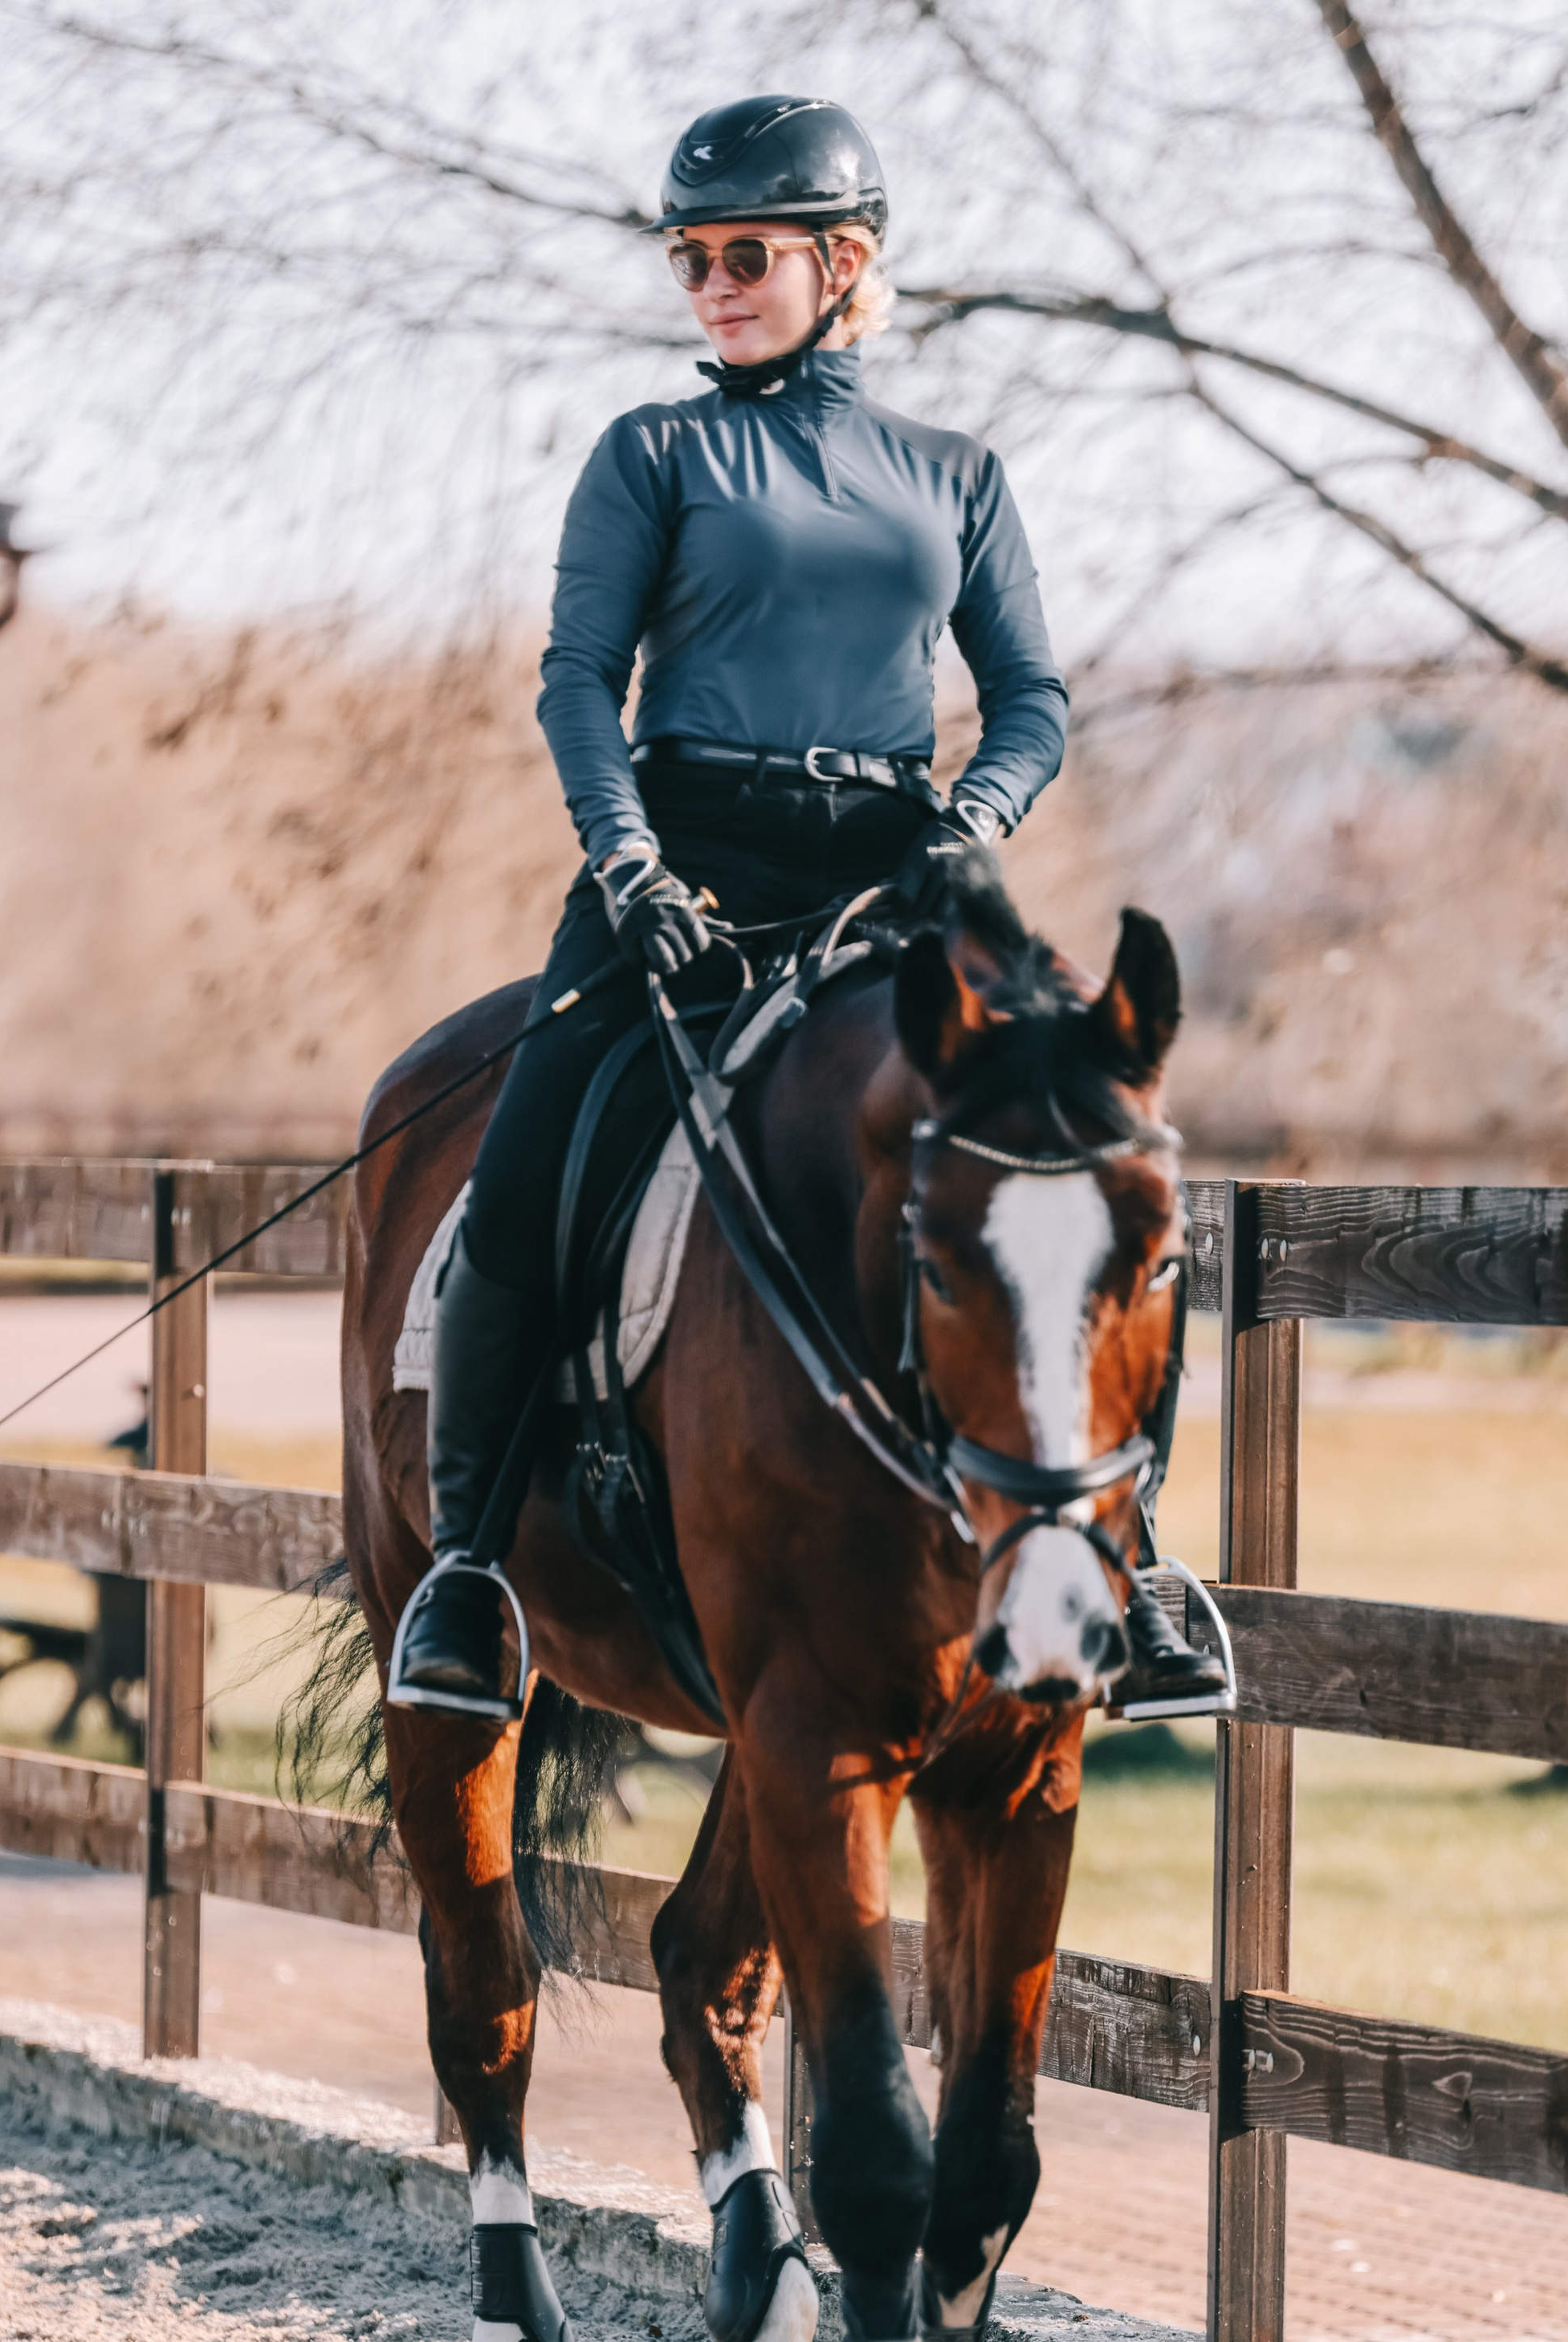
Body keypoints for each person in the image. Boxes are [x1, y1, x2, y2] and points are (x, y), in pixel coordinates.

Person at [391, 92, 1224, 1721]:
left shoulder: (956, 473)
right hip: (686, 850)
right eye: (691, 258)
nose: (711, 285)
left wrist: (969, 822)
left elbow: (1030, 699)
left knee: (1083, 1147)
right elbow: (577, 681)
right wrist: (628, 864)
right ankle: (468, 1570)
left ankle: (1135, 1560)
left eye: (744, 255)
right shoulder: (652, 454)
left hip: (901, 863)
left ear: (842, 263)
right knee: (526, 1171)